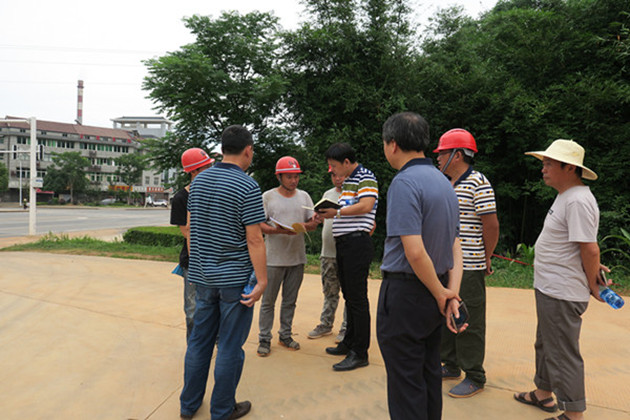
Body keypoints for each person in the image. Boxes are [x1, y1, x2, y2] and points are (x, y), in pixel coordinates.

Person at [377, 111, 465, 420]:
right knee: (428, 375)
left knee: (406, 384)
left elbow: (414, 252)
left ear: (392, 144)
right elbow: (456, 245)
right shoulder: (444, 182)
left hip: (407, 294)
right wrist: (449, 293)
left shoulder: (404, 183)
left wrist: (442, 293)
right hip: (434, 293)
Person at [180, 125, 268, 420]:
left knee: (199, 342)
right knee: (230, 346)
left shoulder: (198, 182)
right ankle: (222, 410)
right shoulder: (247, 186)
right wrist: (262, 280)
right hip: (234, 281)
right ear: (248, 150)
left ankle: (188, 406)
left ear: (221, 150)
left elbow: (191, 230)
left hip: (203, 278)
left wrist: (198, 268)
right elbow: (254, 239)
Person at [514, 139, 606, 420]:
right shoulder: (567, 196)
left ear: (569, 168)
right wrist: (592, 268)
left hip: (562, 292)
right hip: (551, 288)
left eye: (549, 163)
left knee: (562, 353)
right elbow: (578, 245)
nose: (543, 168)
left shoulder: (577, 200)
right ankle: (543, 393)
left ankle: (573, 414)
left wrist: (594, 284)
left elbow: (590, 248)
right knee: (546, 344)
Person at [435, 129, 500, 398]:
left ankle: (475, 375)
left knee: (468, 318)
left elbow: (491, 225)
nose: (438, 158)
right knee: (445, 314)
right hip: (445, 264)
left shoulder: (478, 183)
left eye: (442, 153)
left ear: (458, 155)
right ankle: (450, 365)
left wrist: (486, 256)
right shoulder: (445, 183)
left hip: (470, 265)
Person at [317, 142, 378, 372]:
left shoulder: (365, 176)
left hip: (356, 243)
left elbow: (367, 205)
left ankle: (360, 352)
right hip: (344, 244)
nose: (332, 170)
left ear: (346, 162)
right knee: (350, 297)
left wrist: (337, 212)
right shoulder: (349, 182)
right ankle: (349, 342)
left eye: (333, 166)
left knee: (358, 299)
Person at [257, 156, 318, 356]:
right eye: (289, 177)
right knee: (268, 301)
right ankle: (264, 338)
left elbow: (312, 223)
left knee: (290, 301)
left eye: (296, 176)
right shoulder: (268, 197)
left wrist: (310, 223)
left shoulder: (304, 197)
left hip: (297, 258)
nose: (294, 180)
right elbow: (260, 224)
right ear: (279, 177)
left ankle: (285, 335)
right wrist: (278, 231)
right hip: (273, 259)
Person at [170, 147, 214, 341]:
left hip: (216, 258)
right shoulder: (181, 198)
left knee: (215, 305)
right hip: (193, 260)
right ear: (193, 171)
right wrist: (197, 262)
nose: (210, 170)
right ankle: (194, 346)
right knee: (192, 308)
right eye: (206, 167)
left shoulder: (216, 193)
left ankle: (215, 342)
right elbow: (187, 232)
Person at [308, 166, 347, 342]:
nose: (337, 178)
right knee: (329, 291)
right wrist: (317, 217)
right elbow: (323, 217)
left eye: (340, 175)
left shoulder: (353, 195)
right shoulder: (328, 194)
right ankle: (326, 324)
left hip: (347, 253)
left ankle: (346, 328)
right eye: (333, 175)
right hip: (328, 253)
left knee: (350, 293)